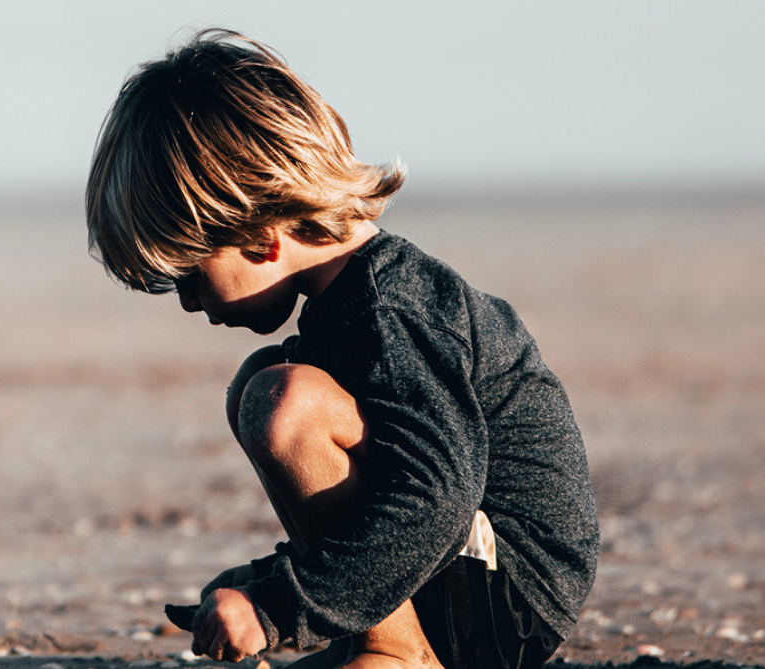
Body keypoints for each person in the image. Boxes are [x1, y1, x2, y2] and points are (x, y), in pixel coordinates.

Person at [85, 28, 599, 669]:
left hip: (510, 597)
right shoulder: (347, 303)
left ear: (262, 236)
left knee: (285, 401)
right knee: (263, 379)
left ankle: (398, 654)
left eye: (190, 274)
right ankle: (379, 639)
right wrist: (277, 575)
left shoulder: (391, 310)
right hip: (457, 566)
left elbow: (434, 495)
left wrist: (277, 606)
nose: (190, 302)